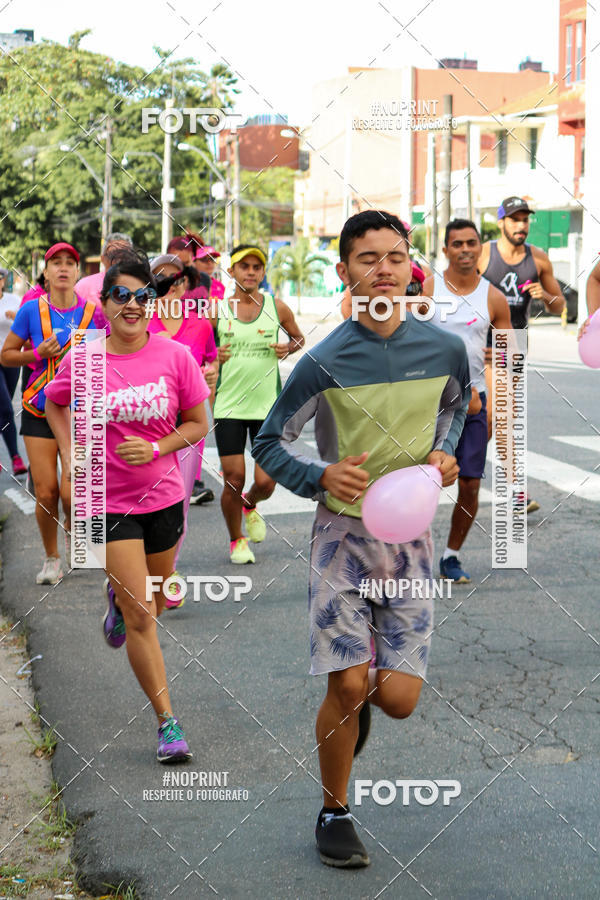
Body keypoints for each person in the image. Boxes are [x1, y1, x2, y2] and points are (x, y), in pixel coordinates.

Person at [252, 210, 470, 869]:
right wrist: (319, 475)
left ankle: (357, 700)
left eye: (395, 256)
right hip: (341, 539)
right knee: (347, 687)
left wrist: (443, 453)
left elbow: (458, 408)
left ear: (411, 267)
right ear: (345, 269)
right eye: (368, 258)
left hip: (411, 544)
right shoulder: (324, 361)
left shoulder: (444, 349)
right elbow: (269, 441)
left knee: (396, 700)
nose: (384, 269)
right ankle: (334, 810)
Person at [45, 248, 209, 763]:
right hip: (103, 499)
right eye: (122, 295)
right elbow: (53, 401)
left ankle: (117, 599)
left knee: (154, 602)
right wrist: (70, 452)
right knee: (143, 617)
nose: (133, 304)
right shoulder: (85, 357)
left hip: (163, 498)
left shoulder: (174, 357)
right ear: (105, 302)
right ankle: (167, 723)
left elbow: (198, 423)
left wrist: (158, 448)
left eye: (143, 296)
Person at [1, 243, 97, 584]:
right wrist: (36, 353)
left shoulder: (94, 313)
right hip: (38, 409)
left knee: (72, 493)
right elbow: (6, 355)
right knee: (46, 492)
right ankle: (52, 558)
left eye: (70, 262)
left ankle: (72, 528)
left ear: (78, 272)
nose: (63, 268)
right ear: (46, 272)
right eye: (56, 262)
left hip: (79, 414)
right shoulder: (30, 310)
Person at [423, 219, 512, 584]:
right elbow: (405, 340)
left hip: (474, 402)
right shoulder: (428, 289)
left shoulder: (494, 297)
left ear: (480, 248)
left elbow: (508, 356)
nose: (464, 249)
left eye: (471, 243)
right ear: (446, 250)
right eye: (457, 243)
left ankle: (451, 556)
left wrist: (494, 404)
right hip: (428, 403)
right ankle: (409, 552)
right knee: (424, 481)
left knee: (471, 484)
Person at [209, 244, 305, 564]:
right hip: (229, 406)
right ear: (232, 271)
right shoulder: (216, 311)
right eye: (244, 266)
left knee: (266, 482)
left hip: (267, 407)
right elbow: (199, 350)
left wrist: (288, 348)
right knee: (234, 478)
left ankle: (250, 503)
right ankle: (236, 540)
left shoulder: (278, 307)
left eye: (256, 267)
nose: (251, 272)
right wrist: (213, 356)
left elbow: (299, 338)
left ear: (263, 272)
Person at [479, 197, 565, 513]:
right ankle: (510, 488)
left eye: (525, 219)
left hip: (513, 344)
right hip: (481, 342)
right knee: (496, 414)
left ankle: (463, 464)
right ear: (501, 222)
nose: (521, 225)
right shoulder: (483, 254)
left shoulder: (538, 259)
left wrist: (546, 295)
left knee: (496, 417)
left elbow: (560, 305)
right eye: (514, 219)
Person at [148, 253, 218, 606]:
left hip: (188, 429)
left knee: (179, 505)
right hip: (147, 429)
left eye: (176, 278)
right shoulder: (139, 322)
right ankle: (139, 574)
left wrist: (210, 377)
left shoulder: (201, 325)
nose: (170, 285)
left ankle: (168, 573)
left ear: (186, 283)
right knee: (144, 504)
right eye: (161, 278)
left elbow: (211, 365)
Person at [0, 268, 27, 475]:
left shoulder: (14, 300)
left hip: (11, 359)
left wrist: (17, 317)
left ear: (3, 281)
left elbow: (25, 328)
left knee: (3, 407)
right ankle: (16, 457)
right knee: (7, 409)